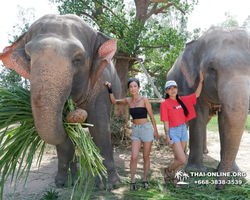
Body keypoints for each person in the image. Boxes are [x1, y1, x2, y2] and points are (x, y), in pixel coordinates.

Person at [105, 78, 159, 191]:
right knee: (134, 156)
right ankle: (133, 180)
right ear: (129, 89)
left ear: (138, 88)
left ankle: (144, 179)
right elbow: (114, 101)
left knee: (145, 157)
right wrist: (110, 89)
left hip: (146, 129)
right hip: (136, 131)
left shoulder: (144, 99)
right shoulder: (128, 100)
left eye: (135, 86)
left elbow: (151, 116)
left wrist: (155, 130)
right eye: (131, 87)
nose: (133, 88)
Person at [160, 70, 204, 189]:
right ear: (166, 91)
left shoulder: (183, 100)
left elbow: (197, 95)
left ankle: (176, 180)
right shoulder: (165, 103)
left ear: (177, 89)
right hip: (173, 131)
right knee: (182, 159)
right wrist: (167, 135)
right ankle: (168, 171)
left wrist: (200, 82)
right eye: (170, 88)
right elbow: (166, 121)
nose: (173, 90)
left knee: (177, 158)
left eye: (174, 87)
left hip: (183, 130)